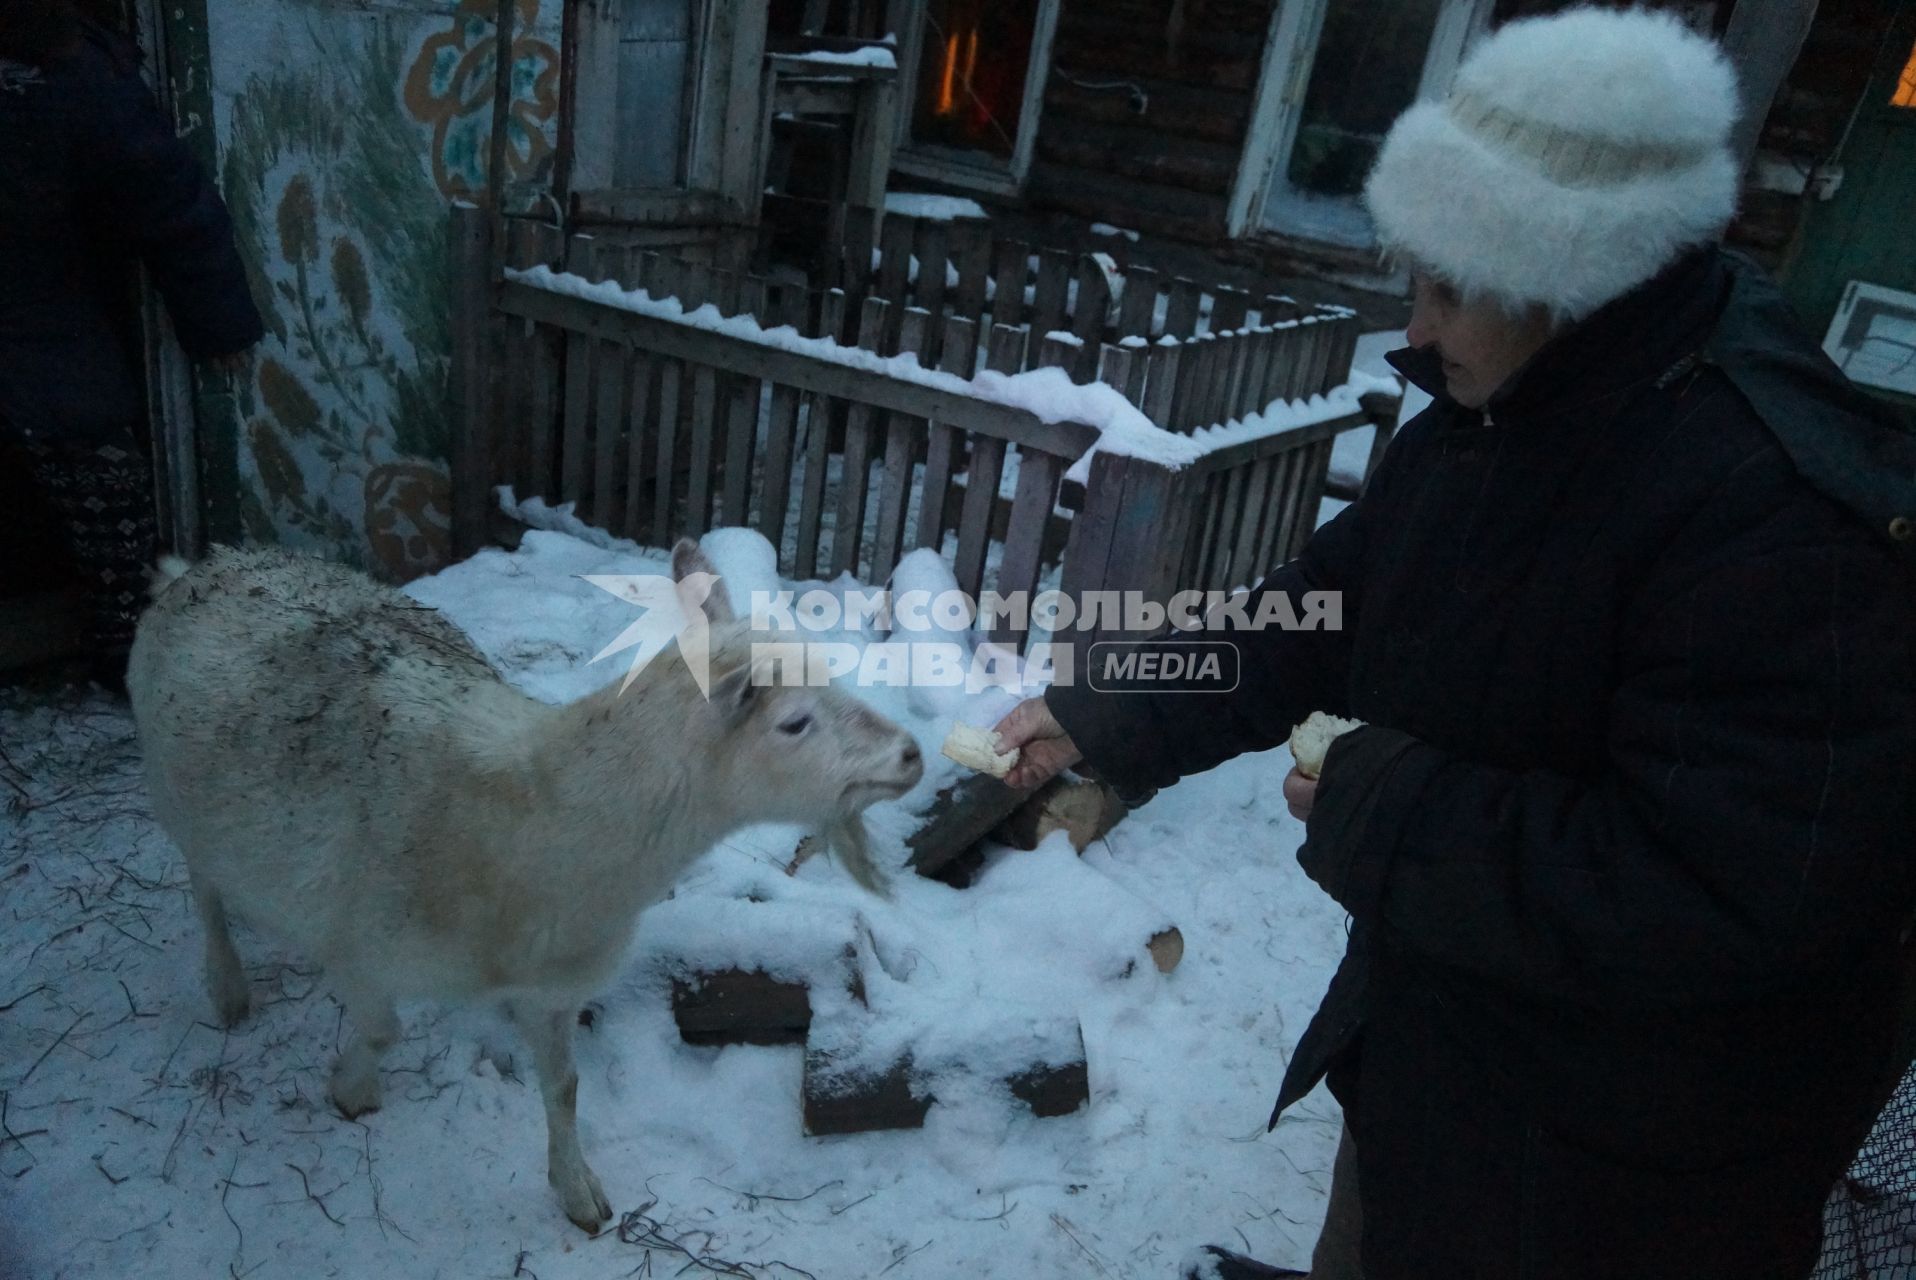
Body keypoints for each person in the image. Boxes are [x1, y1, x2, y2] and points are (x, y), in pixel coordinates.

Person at [995, 9, 1916, 1279]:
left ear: (1561, 282)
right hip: (1452, 1057)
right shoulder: (1498, 414)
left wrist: (1381, 800)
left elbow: (1726, 893)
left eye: (1439, 288)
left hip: (1631, 1173)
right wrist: (1109, 706)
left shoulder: (1774, 520)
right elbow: (1320, 607)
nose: (1409, 332)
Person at [0, 0, 262, 689]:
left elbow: (167, 199)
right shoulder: (76, 68)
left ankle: (128, 659)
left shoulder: (68, 71)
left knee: (108, 508)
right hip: (47, 328)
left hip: (47, 325)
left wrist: (219, 323)